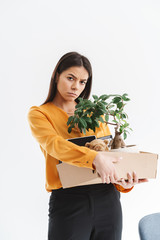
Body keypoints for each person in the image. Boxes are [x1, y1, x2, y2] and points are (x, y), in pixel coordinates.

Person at [27, 51, 147, 240]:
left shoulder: (92, 112)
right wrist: (94, 158)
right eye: (70, 78)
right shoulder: (40, 114)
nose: (76, 86)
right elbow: (54, 145)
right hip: (69, 201)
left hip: (107, 199)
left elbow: (106, 151)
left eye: (82, 82)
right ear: (56, 75)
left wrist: (123, 182)